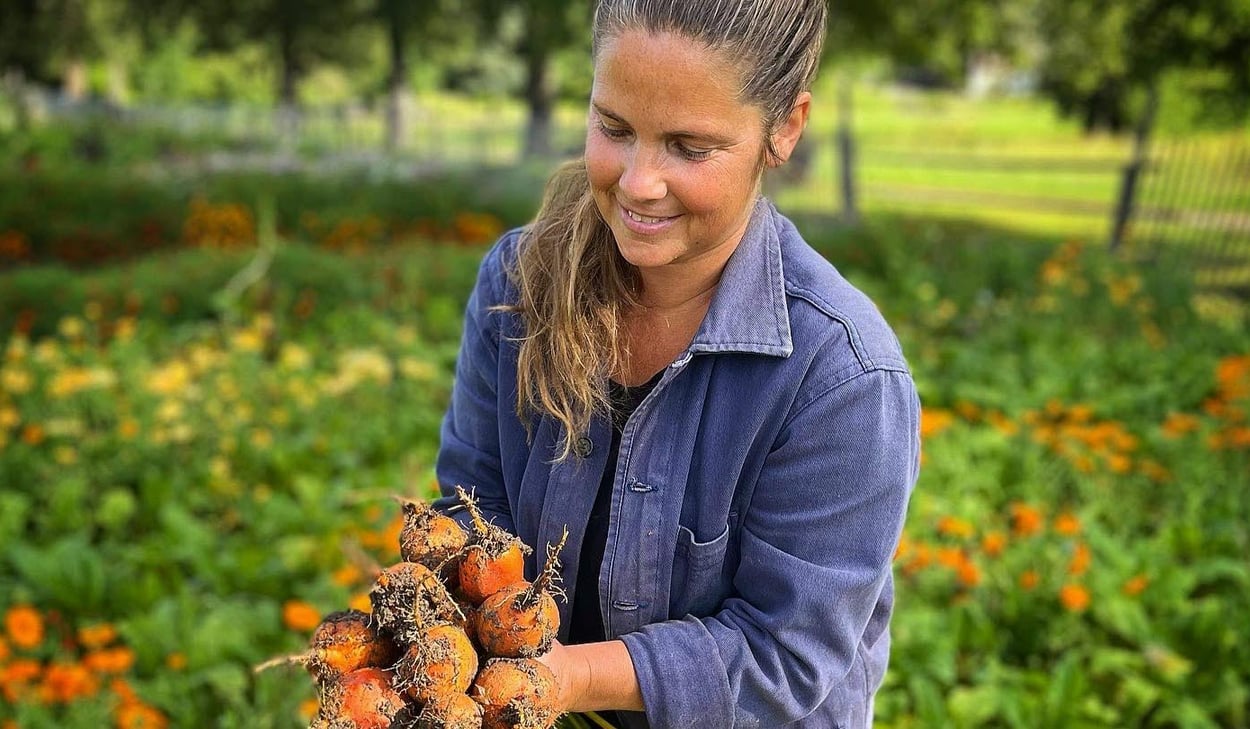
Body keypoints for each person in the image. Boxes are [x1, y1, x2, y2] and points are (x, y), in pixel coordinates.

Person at [434, 1, 920, 726]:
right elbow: (473, 514)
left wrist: (568, 677)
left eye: (689, 147)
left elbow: (782, 654)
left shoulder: (842, 376)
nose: (637, 183)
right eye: (615, 129)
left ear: (784, 128)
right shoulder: (519, 286)